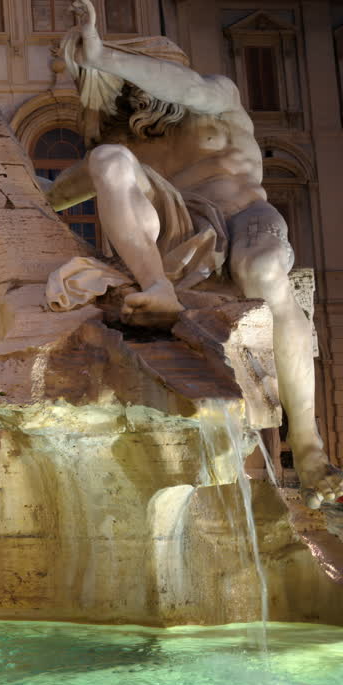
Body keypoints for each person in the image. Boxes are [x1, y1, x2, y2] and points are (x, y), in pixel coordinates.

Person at [45, 0, 340, 507]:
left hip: (246, 216)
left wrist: (103, 56)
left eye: (136, 77)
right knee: (107, 159)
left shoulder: (215, 96)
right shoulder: (131, 142)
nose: (133, 94)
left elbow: (187, 89)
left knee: (264, 268)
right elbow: (56, 193)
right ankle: (157, 286)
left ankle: (309, 445)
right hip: (184, 230)